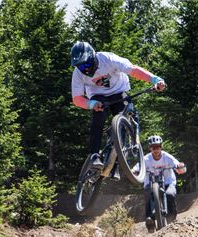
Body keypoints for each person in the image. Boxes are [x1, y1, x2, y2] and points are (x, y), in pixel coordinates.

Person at [70, 41, 166, 179]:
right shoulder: (78, 74)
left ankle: (115, 165)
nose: (84, 69)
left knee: (126, 115)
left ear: (93, 57)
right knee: (98, 118)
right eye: (79, 66)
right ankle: (94, 155)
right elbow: (77, 98)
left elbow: (133, 70)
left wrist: (155, 80)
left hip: (119, 91)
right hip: (98, 97)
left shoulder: (108, 59)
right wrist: (91, 104)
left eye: (86, 64)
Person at [137, 135, 186, 232]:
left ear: (161, 147)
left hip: (168, 182)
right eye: (153, 147)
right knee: (147, 193)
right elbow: (137, 168)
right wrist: (134, 171)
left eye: (158, 147)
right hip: (150, 183)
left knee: (170, 194)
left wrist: (180, 166)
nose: (156, 150)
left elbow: (178, 165)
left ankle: (172, 218)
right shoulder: (146, 159)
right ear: (150, 148)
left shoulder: (167, 157)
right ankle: (149, 219)